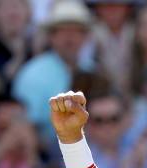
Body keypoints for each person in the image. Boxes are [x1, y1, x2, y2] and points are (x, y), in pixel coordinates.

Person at [12, 0, 93, 157]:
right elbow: (25, 126)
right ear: (51, 36)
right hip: (46, 158)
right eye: (63, 31)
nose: (70, 38)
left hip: (90, 155)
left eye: (76, 31)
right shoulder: (32, 73)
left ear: (85, 37)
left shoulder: (93, 70)